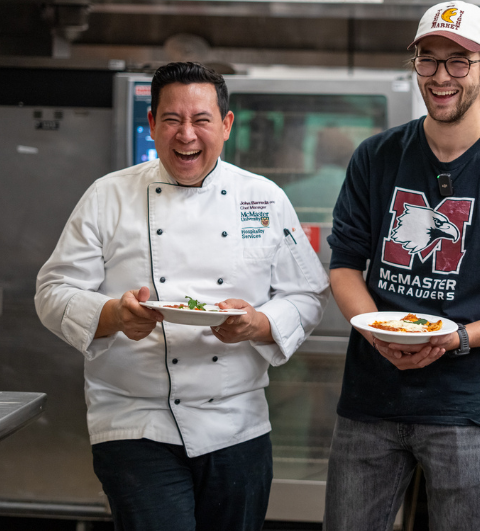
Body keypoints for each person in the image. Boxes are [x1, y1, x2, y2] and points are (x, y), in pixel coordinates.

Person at [34, 62, 330, 531]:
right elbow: (52, 292)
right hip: (135, 419)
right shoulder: (107, 196)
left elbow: (308, 292)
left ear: (226, 125)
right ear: (151, 123)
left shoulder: (264, 199)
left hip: (237, 423)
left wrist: (259, 323)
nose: (186, 135)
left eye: (201, 120)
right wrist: (112, 314)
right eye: (171, 120)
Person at [323, 0, 480, 530]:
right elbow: (344, 264)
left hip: (467, 406)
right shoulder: (376, 157)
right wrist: (372, 330)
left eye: (459, 62)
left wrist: (459, 338)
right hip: (372, 397)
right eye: (428, 60)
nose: (441, 77)